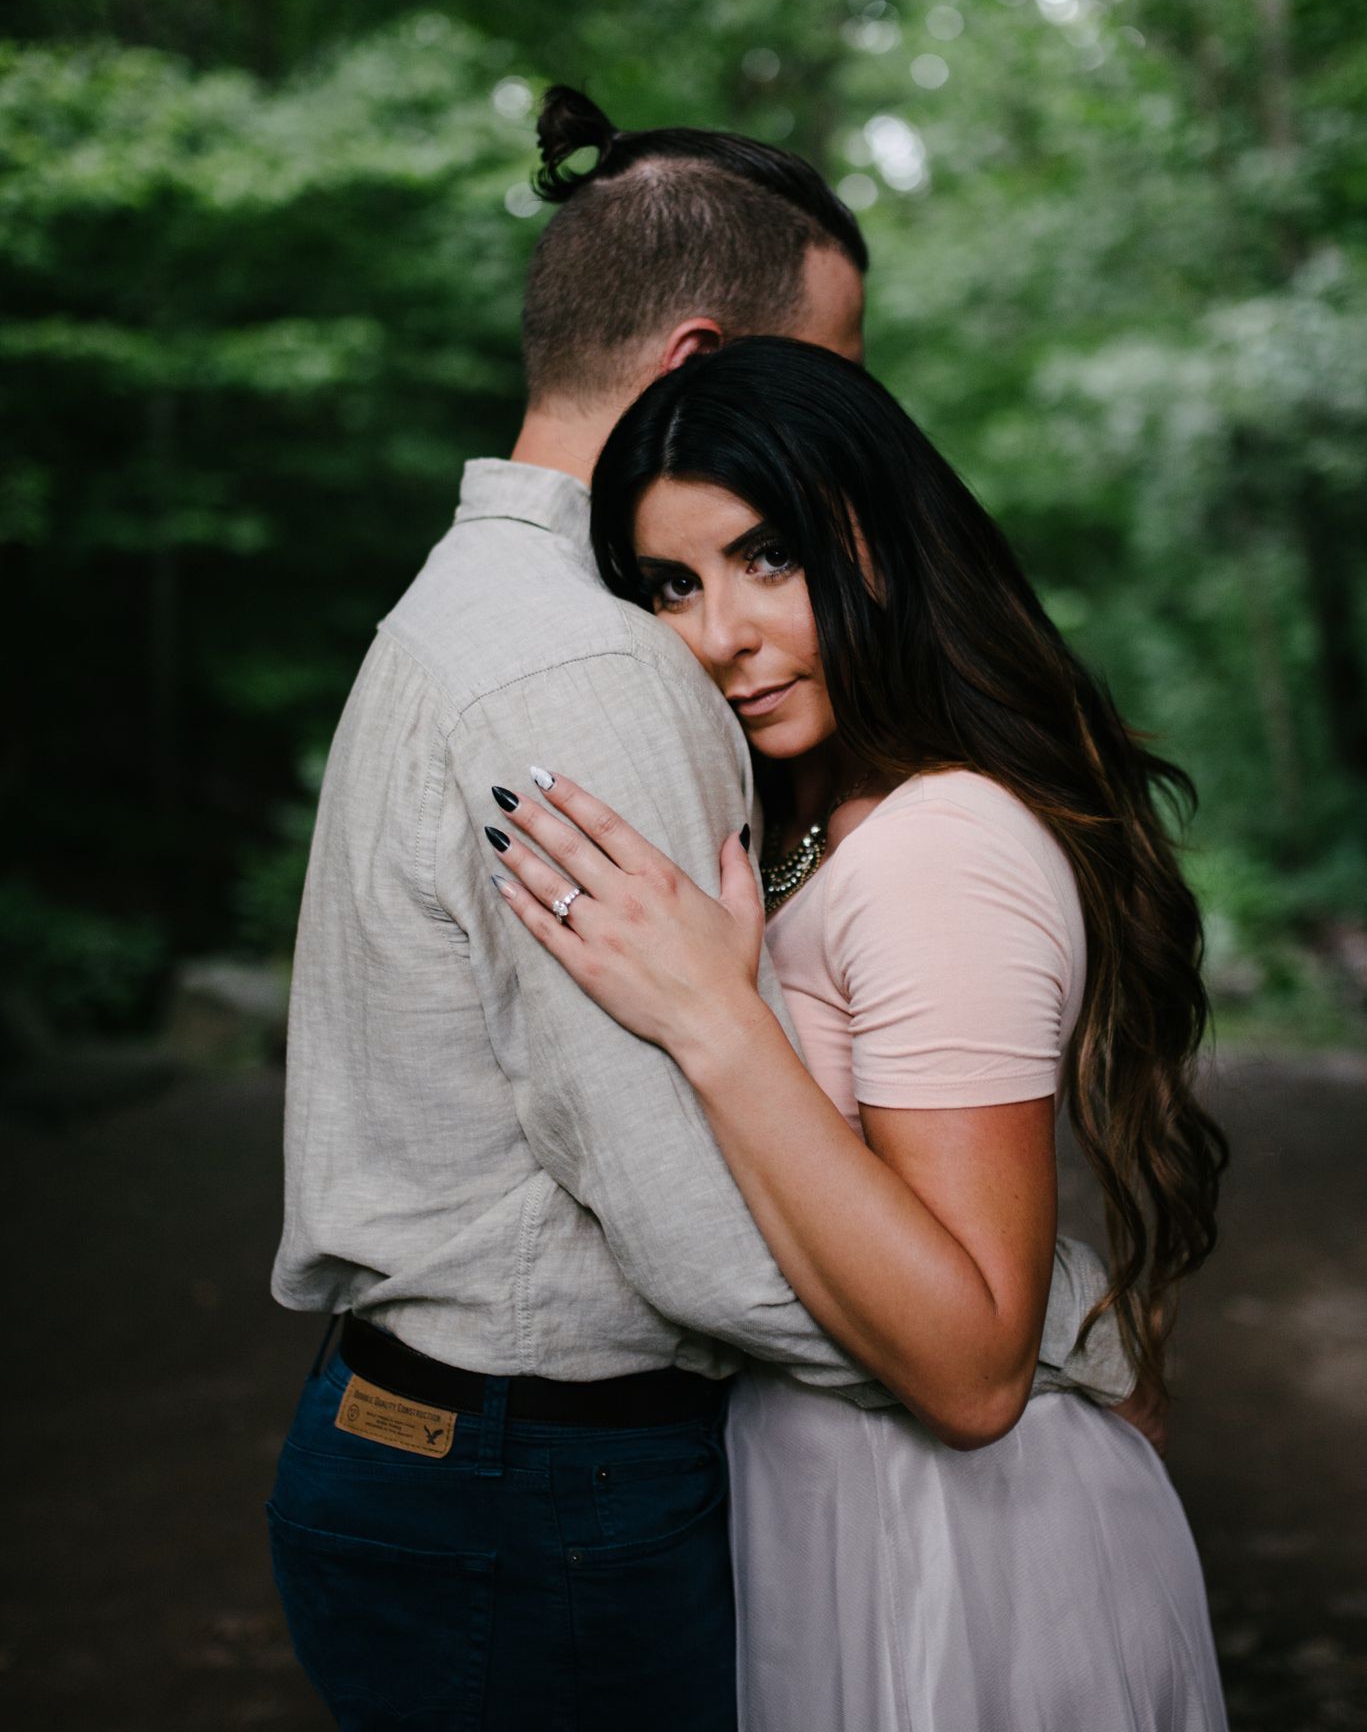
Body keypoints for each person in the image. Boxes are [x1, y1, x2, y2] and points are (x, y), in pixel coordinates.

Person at [269, 92, 1140, 1730]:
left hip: (451, 1458)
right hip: (542, 1490)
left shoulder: (474, 611)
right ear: (700, 367)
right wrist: (1053, 1323)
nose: (847, 418)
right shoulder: (596, 672)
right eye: (828, 371)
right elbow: (688, 1224)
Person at [486, 334, 1231, 1731]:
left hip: (961, 1549)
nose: (723, 636)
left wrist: (716, 1021)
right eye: (673, 585)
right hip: (837, 1509)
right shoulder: (818, 827)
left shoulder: (940, 842)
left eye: (771, 559)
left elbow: (971, 1366)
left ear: (884, 542)